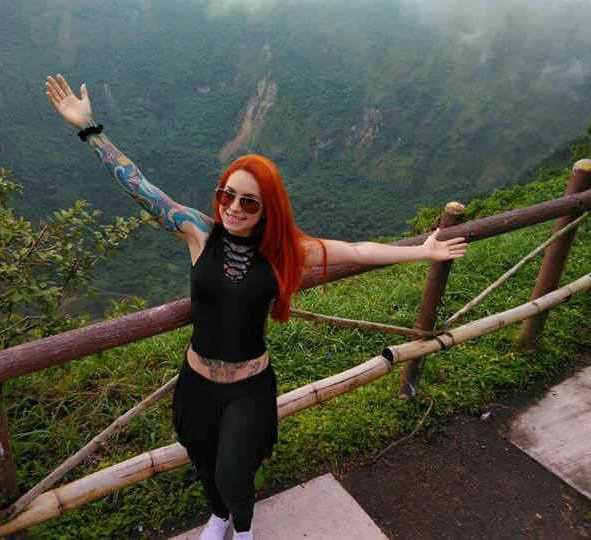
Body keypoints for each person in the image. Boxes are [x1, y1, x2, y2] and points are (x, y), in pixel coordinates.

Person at [45, 74, 467, 540]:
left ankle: (242, 528)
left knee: (234, 472)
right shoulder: (198, 232)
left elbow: (356, 249)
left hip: (248, 387)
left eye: (249, 202)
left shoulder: (283, 252)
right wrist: (89, 129)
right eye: (227, 195)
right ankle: (219, 516)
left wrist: (421, 251)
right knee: (204, 462)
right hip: (196, 384)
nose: (234, 208)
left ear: (267, 209)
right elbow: (142, 187)